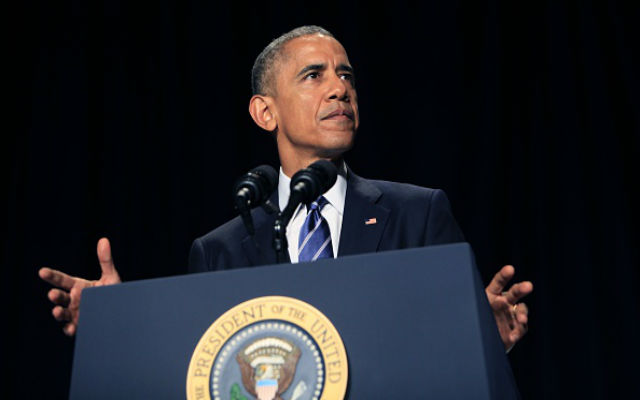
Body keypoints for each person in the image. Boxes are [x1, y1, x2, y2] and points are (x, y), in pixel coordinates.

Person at [39, 26, 532, 351]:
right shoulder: (218, 252)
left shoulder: (418, 213)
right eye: (313, 75)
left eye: (346, 75)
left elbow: (450, 354)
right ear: (265, 112)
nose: (340, 88)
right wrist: (119, 325)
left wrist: (485, 339)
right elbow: (203, 369)